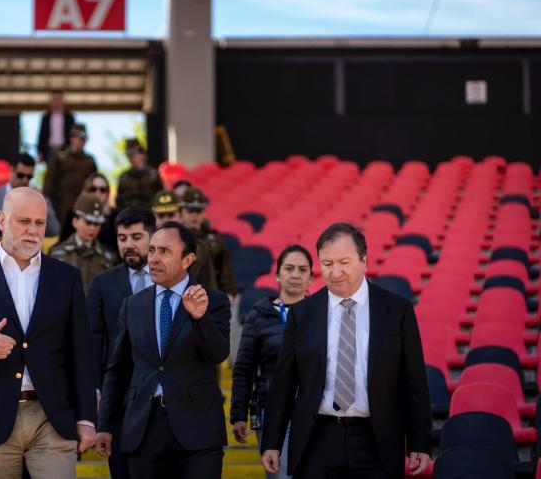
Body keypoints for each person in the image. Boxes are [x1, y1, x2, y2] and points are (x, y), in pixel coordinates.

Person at [0, 187, 97, 479]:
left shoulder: (66, 277)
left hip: (52, 417)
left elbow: (81, 353)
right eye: (23, 221)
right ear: (1, 220)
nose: (32, 231)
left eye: (39, 223)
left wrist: (87, 417)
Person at [261, 222, 431, 479]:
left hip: (376, 439)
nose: (335, 272)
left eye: (344, 262)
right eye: (327, 264)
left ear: (364, 260)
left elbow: (414, 380)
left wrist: (420, 442)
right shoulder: (303, 313)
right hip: (317, 438)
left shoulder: (397, 310)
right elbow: (284, 381)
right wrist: (272, 440)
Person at [95, 222, 231, 479]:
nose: (154, 259)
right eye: (153, 250)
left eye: (165, 252)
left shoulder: (211, 301)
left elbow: (218, 354)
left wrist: (200, 319)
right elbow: (118, 370)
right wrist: (105, 425)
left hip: (197, 429)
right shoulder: (133, 305)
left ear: (188, 259)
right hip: (143, 428)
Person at [230, 245, 313, 479]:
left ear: (310, 277)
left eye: (302, 269)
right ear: (277, 275)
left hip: (314, 411)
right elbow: (244, 368)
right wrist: (239, 413)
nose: (295, 274)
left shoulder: (323, 315)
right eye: (289, 268)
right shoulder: (259, 315)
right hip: (271, 410)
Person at [86, 206, 156, 479]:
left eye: (137, 237)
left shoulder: (173, 280)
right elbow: (93, 340)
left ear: (152, 236)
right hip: (118, 398)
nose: (129, 244)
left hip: (163, 399)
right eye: (122, 237)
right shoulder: (102, 284)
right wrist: (95, 387)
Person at [0, 153, 60, 259]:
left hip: (26, 263)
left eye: (29, 177)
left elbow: (53, 231)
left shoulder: (35, 200)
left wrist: (43, 200)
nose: (25, 180)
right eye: (20, 175)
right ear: (11, 170)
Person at [150, 190, 217, 291]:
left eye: (171, 215)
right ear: (154, 217)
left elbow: (209, 287)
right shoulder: (143, 247)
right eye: (161, 216)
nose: (166, 220)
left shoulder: (197, 248)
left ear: (180, 215)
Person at [50, 194, 118, 293]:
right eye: (88, 222)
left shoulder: (108, 257)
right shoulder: (56, 253)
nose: (93, 228)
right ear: (75, 221)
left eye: (97, 224)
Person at [180, 186, 238, 297]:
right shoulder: (175, 237)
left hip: (211, 294)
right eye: (190, 210)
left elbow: (224, 269)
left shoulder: (215, 238)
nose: (194, 215)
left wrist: (229, 292)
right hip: (184, 294)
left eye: (198, 210)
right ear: (182, 210)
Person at [43, 123, 98, 225]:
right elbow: (49, 182)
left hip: (83, 207)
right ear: (71, 137)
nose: (79, 140)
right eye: (76, 136)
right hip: (60, 206)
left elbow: (95, 185)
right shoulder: (59, 157)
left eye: (83, 138)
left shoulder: (90, 161)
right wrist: (48, 204)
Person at [58, 172, 119, 254]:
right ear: (85, 190)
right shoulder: (74, 213)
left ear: (107, 193)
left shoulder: (115, 215)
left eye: (103, 190)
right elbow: (63, 242)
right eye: (93, 189)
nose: (98, 193)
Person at [116, 138, 163, 210]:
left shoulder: (153, 175)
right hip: (129, 214)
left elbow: (160, 197)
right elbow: (119, 200)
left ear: (143, 154)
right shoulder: (124, 177)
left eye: (134, 154)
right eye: (129, 155)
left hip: (149, 214)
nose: (132, 158)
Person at [36, 90, 75, 163]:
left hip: (66, 150)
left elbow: (73, 135)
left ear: (63, 101)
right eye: (54, 99)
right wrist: (40, 152)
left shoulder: (69, 117)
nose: (56, 101)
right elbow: (41, 134)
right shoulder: (46, 117)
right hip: (50, 150)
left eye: (59, 99)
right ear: (50, 101)